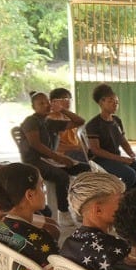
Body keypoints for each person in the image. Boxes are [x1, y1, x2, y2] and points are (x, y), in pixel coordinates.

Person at [19, 91, 87, 219]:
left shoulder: (49, 122)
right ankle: (64, 212)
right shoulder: (31, 121)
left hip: (51, 160)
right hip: (35, 161)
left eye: (47, 102)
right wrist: (59, 157)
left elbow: (80, 121)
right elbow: (35, 144)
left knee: (85, 168)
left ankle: (81, 207)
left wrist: (63, 110)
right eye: (41, 103)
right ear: (34, 107)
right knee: (61, 176)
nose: (46, 105)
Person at [59, 172, 129, 270]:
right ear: (98, 210)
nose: (126, 205)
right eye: (120, 201)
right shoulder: (115, 249)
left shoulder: (69, 243)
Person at [85, 84, 136, 189]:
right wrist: (120, 159)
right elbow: (96, 150)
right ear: (101, 102)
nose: (115, 104)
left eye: (117, 102)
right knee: (130, 175)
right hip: (100, 160)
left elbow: (123, 141)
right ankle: (122, 200)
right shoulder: (93, 124)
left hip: (116, 158)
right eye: (111, 101)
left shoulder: (116, 120)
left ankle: (130, 197)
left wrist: (131, 154)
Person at [48, 87, 90, 164]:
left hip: (75, 151)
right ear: (53, 102)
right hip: (62, 155)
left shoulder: (69, 117)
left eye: (69, 99)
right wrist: (76, 148)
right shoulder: (51, 119)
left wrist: (83, 147)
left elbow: (82, 122)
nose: (68, 102)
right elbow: (55, 147)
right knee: (93, 160)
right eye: (64, 99)